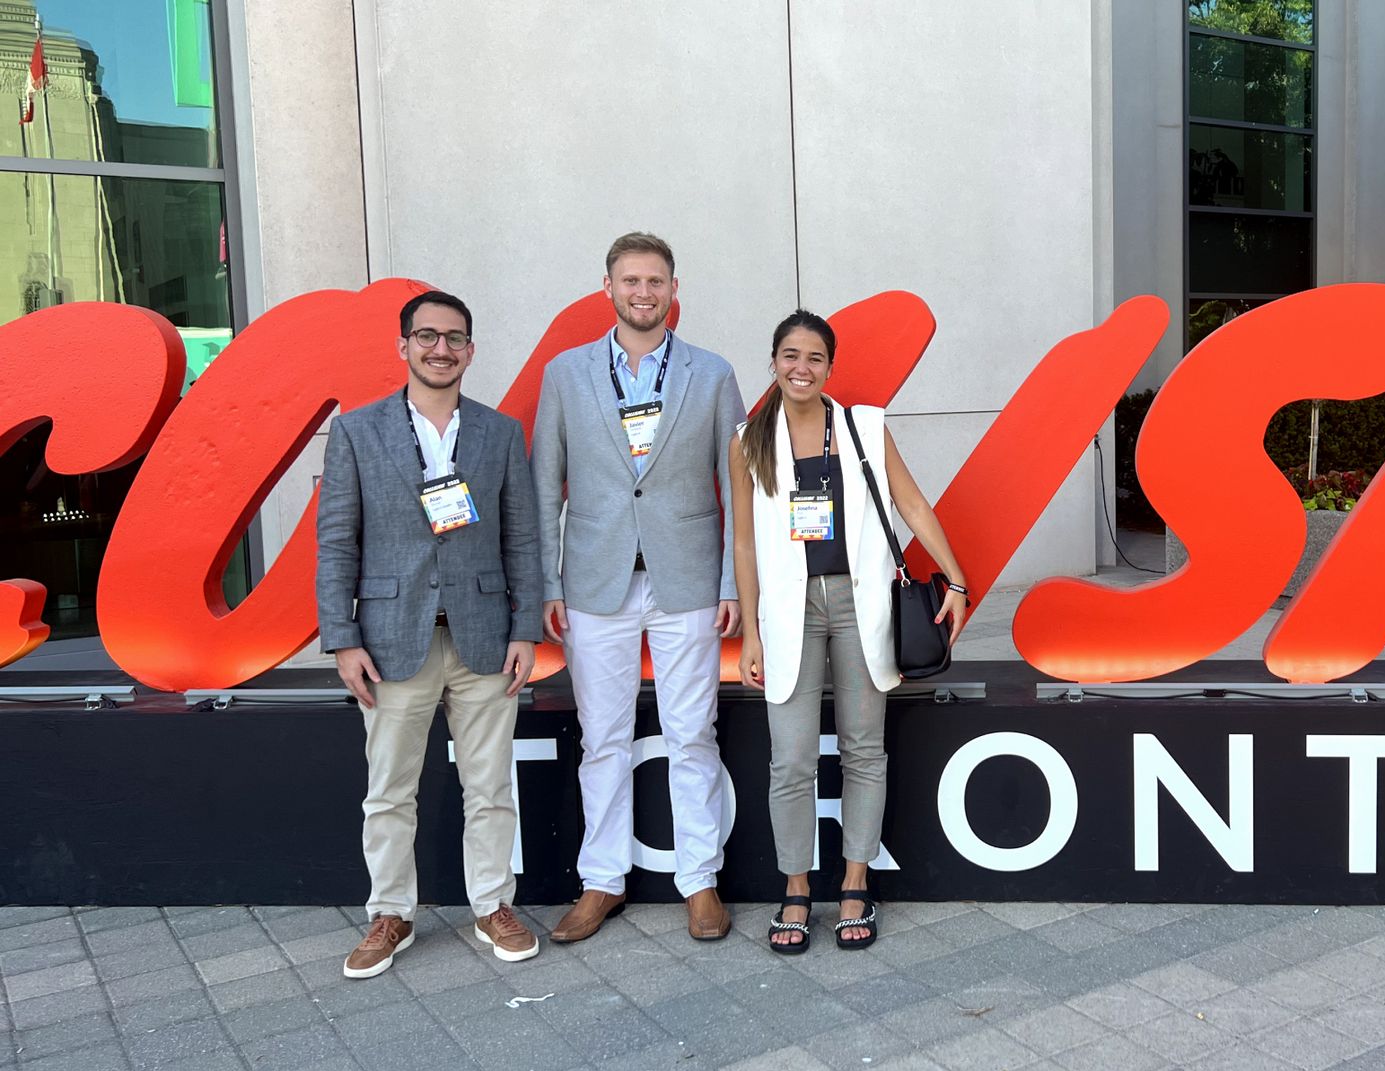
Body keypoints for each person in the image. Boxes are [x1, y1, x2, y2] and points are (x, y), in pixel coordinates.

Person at [316, 289, 544, 977]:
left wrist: (526, 627)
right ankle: (390, 913)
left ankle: (492, 904)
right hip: (389, 642)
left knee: (490, 787)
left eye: (454, 338)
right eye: (427, 336)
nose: (440, 348)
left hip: (484, 637)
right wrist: (343, 636)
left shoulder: (500, 432)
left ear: (470, 350)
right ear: (403, 346)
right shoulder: (357, 431)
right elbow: (335, 543)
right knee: (388, 789)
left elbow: (523, 539)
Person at [731, 310, 968, 952]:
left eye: (813, 357)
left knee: (864, 749)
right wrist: (750, 631)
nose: (800, 367)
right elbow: (746, 546)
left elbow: (912, 503)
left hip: (860, 605)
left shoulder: (864, 427)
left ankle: (856, 884)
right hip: (790, 611)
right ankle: (797, 890)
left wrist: (957, 579)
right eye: (789, 355)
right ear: (774, 362)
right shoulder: (749, 440)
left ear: (829, 367)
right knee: (791, 759)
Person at [533, 232, 746, 943]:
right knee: (603, 738)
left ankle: (701, 881)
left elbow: (735, 486)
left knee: (692, 734)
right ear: (609, 288)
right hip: (595, 582)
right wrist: (548, 579)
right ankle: (602, 881)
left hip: (686, 579)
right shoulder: (565, 374)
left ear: (673, 289)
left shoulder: (711, 374)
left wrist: (729, 581)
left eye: (656, 281)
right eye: (631, 280)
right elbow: (543, 484)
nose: (644, 292)